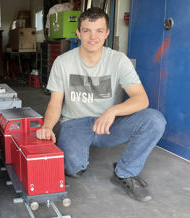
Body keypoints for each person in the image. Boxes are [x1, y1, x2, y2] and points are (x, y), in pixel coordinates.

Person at [36, 7, 166, 202]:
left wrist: (113, 110)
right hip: (75, 124)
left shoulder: (118, 60)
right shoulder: (63, 62)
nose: (92, 37)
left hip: (108, 125)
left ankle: (125, 172)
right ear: (78, 33)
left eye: (99, 31)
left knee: (155, 120)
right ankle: (78, 158)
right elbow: (55, 102)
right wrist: (47, 126)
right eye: (87, 30)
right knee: (72, 168)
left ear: (106, 34)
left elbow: (141, 99)